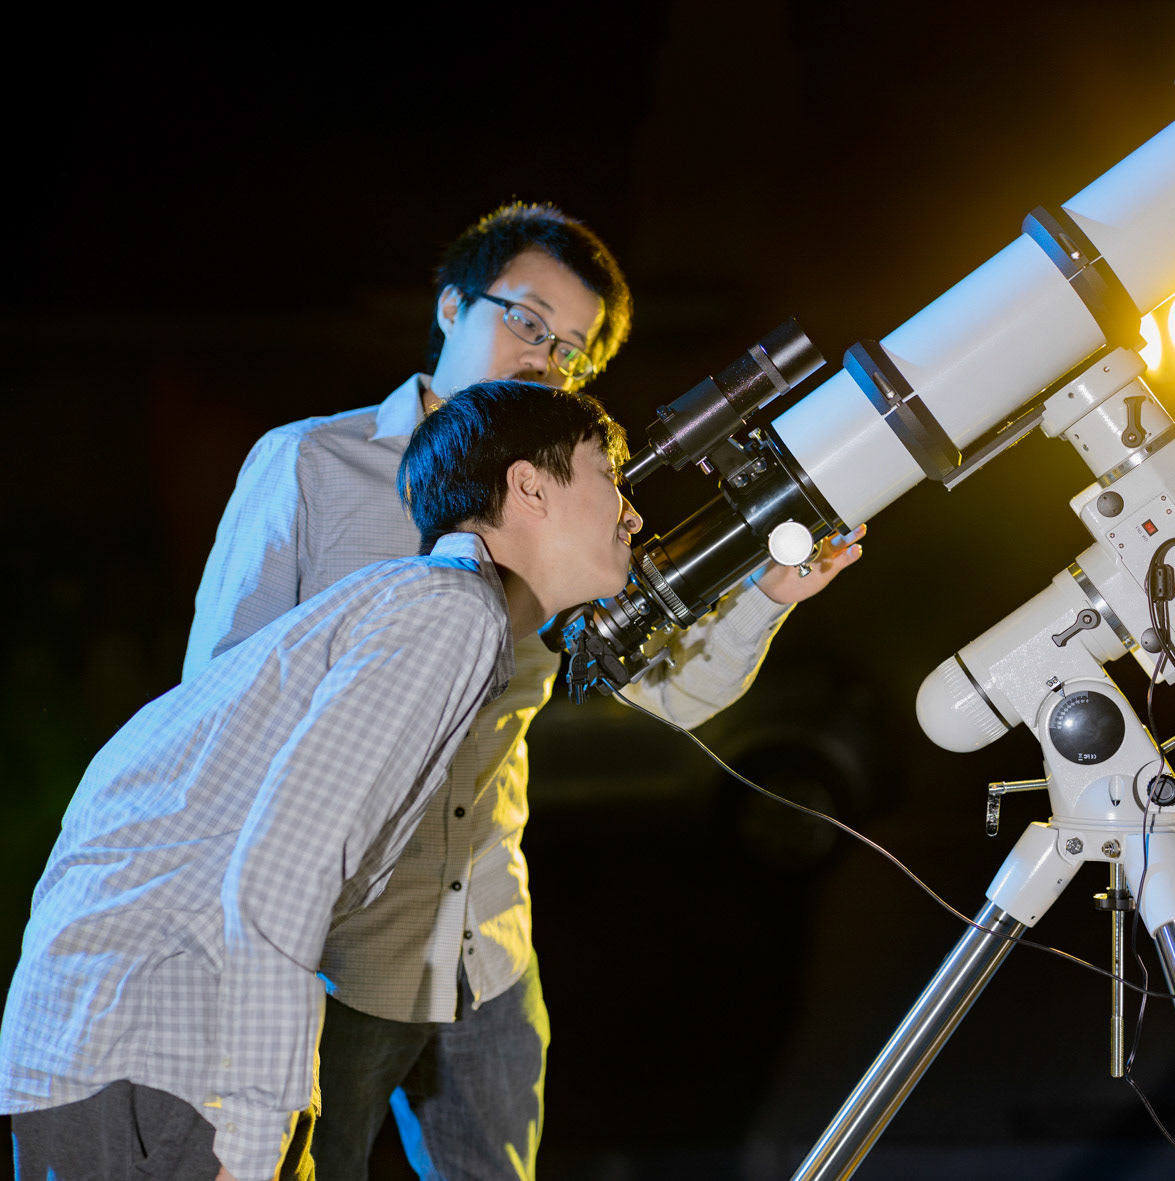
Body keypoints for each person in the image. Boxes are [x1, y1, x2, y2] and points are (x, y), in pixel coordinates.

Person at [182, 202, 864, 1179]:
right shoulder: (310, 464)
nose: (544, 357)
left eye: (573, 354)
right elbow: (219, 697)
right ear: (453, 305)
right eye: (527, 321)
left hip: (487, 945)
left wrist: (765, 592)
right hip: (338, 953)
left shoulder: (553, 493)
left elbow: (668, 691)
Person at [0, 381, 643, 1181]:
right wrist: (254, 1139)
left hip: (113, 1037)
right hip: (156, 1049)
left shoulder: (423, 604)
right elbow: (280, 875)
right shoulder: (449, 614)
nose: (632, 510)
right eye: (607, 474)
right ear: (528, 485)